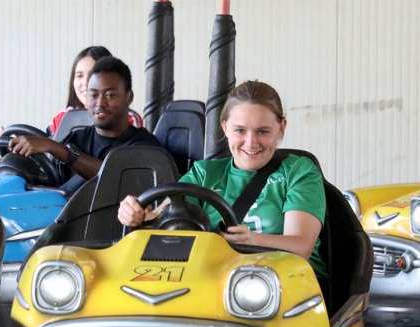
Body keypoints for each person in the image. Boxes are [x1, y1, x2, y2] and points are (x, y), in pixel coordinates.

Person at [117, 80, 327, 281]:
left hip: (283, 281)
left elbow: (301, 247)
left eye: (262, 131)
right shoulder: (205, 173)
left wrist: (252, 240)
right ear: (225, 127)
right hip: (214, 281)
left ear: (281, 128)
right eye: (240, 130)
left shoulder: (298, 171)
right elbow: (162, 216)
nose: (251, 142)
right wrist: (137, 215)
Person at [7, 56, 162, 194]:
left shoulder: (144, 146)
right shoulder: (77, 138)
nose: (100, 103)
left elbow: (115, 177)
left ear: (129, 97)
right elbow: (50, 177)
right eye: (93, 95)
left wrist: (58, 149)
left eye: (110, 95)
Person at [0, 46, 144, 140]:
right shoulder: (63, 118)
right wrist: (14, 143)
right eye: (79, 75)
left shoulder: (127, 119)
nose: (85, 83)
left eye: (91, 76)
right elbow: (47, 152)